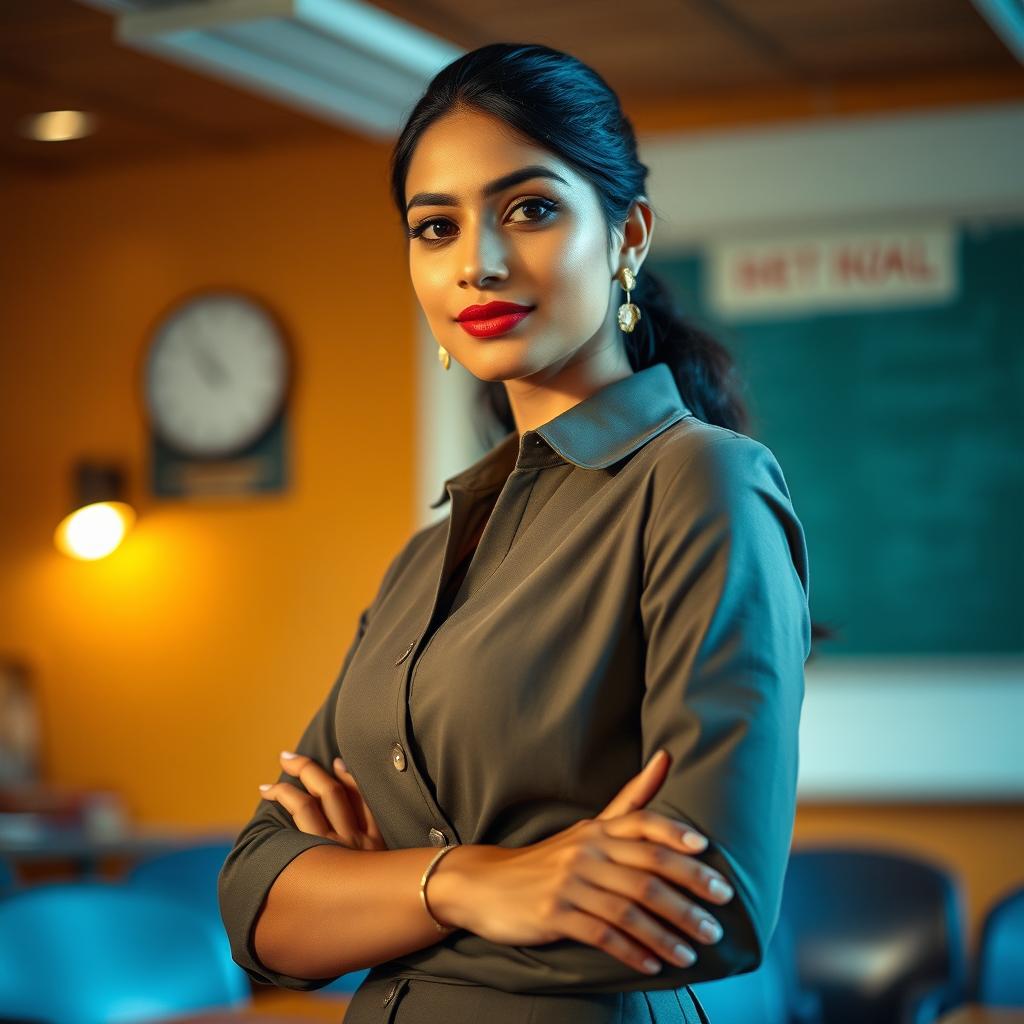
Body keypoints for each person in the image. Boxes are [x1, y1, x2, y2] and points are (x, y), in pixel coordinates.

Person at [218, 41, 824, 1024]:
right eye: (434, 226)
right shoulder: (427, 556)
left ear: (627, 235)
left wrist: (373, 892)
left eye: (530, 209)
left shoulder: (699, 480)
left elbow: (702, 906)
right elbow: (254, 901)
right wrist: (470, 881)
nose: (478, 263)